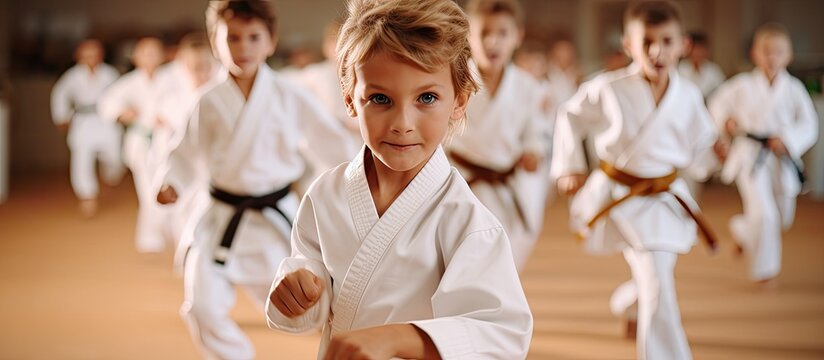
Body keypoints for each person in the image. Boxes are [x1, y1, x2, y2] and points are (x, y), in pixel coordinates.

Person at [265, 0, 533, 358]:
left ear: (459, 101)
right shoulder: (326, 194)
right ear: (349, 100)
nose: (402, 123)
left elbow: (500, 332)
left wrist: (396, 338)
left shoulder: (466, 220)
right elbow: (313, 278)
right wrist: (299, 291)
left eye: (426, 97)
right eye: (379, 98)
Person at [155, 1, 353, 358]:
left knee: (310, 311)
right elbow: (183, 152)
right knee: (201, 307)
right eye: (232, 38)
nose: (242, 47)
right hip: (220, 219)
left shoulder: (289, 96)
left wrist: (362, 176)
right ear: (216, 43)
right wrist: (173, 182)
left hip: (274, 219)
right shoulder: (208, 101)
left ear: (270, 42)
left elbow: (332, 142)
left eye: (253, 37)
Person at [552, 1, 722, 359]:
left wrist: (717, 153)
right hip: (620, 195)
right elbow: (570, 115)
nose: (657, 51)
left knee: (655, 274)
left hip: (664, 196)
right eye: (647, 42)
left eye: (667, 41)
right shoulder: (609, 87)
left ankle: (628, 302)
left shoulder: (688, 96)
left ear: (683, 45)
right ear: (628, 45)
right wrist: (570, 165)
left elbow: (701, 150)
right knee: (658, 279)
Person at [708, 23, 818, 286]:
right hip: (750, 156)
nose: (772, 57)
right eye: (766, 51)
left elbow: (809, 124)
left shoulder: (794, 89)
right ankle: (765, 272)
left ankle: (743, 230)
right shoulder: (742, 85)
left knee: (781, 218)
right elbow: (716, 105)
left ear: (788, 56)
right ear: (755, 54)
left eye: (778, 52)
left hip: (781, 158)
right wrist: (725, 122)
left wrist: (789, 139)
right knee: (765, 215)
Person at [447, 0, 549, 271]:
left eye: (503, 33)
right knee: (463, 262)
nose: (493, 41)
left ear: (518, 36)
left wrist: (533, 151)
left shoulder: (529, 87)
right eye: (484, 33)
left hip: (507, 183)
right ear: (469, 35)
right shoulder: (451, 80)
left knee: (506, 263)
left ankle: (490, 311)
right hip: (461, 182)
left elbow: (534, 131)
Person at [152, 32, 222, 273]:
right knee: (177, 216)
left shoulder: (219, 95)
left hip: (212, 170)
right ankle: (189, 262)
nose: (200, 73)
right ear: (182, 66)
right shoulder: (173, 99)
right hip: (183, 168)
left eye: (205, 66)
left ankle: (200, 264)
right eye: (194, 67)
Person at [98, 37, 167, 252]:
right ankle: (150, 238)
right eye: (145, 52)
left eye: (155, 52)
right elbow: (106, 102)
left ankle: (167, 234)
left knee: (167, 186)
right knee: (148, 191)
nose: (150, 57)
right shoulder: (129, 82)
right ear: (136, 57)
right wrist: (121, 113)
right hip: (141, 141)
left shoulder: (172, 78)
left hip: (166, 140)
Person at [287, 19, 362, 194]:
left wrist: (354, 125)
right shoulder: (317, 75)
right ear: (325, 46)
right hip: (328, 158)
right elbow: (284, 83)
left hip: (360, 150)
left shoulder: (365, 75)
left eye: (346, 42)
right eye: (334, 42)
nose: (339, 49)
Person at [51, 39, 124, 217]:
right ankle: (88, 196)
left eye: (94, 53)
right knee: (81, 158)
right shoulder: (72, 76)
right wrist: (62, 117)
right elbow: (59, 95)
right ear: (78, 56)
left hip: (106, 120)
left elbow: (121, 94)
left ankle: (107, 177)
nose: (91, 57)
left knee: (115, 157)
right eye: (87, 54)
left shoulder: (110, 73)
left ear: (101, 55)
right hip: (82, 121)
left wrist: (120, 113)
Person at [678, 31, 725, 99]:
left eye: (700, 48)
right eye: (695, 48)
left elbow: (722, 93)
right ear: (689, 49)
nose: (697, 52)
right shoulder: (680, 68)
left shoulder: (714, 70)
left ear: (706, 50)